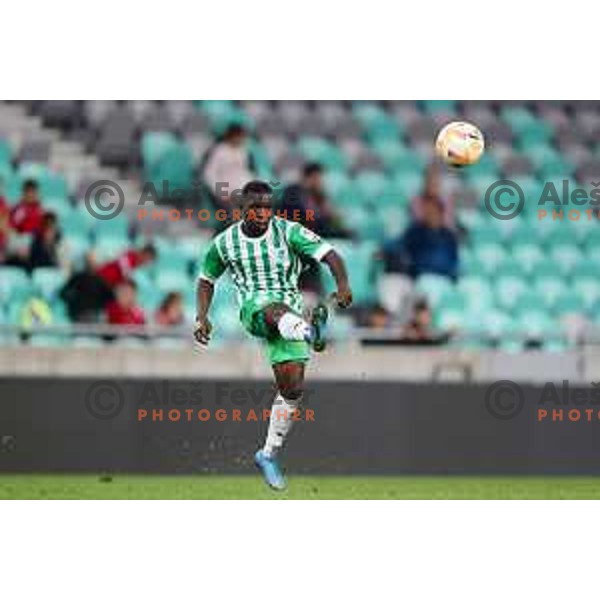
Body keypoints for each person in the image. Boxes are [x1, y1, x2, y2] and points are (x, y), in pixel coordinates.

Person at [194, 180, 353, 491]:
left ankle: (267, 454)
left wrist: (343, 285)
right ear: (242, 209)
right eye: (256, 208)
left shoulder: (288, 231)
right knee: (273, 307)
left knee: (292, 387)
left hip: (289, 315)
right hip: (255, 310)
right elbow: (206, 279)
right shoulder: (225, 243)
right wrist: (202, 316)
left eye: (268, 207)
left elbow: (331, 254)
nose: (264, 213)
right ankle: (311, 331)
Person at [383, 195, 459, 280]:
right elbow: (400, 246)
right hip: (421, 277)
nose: (430, 214)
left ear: (440, 213)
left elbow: (453, 260)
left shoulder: (449, 235)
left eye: (433, 211)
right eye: (427, 211)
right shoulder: (415, 231)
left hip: (444, 277)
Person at [280, 163, 352, 238]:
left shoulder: (317, 196)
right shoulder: (292, 192)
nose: (318, 182)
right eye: (315, 178)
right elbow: (305, 217)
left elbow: (325, 221)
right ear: (306, 178)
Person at [202, 123, 255, 208]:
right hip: (227, 193)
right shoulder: (219, 151)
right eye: (237, 136)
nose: (240, 139)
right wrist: (222, 193)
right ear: (230, 136)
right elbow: (209, 174)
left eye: (242, 137)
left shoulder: (243, 151)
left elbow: (246, 172)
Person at [60, 252, 113, 323]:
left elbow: (110, 298)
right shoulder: (77, 278)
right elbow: (63, 293)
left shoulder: (101, 280)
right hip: (78, 315)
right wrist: (75, 301)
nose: (92, 263)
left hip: (96, 316)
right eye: (89, 261)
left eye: (93, 261)